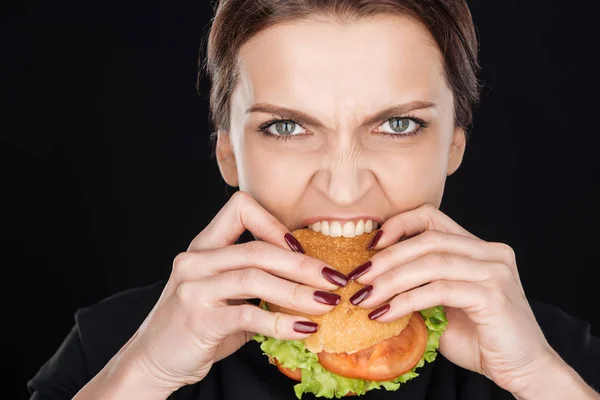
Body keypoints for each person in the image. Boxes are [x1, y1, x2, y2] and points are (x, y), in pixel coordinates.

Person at [27, 0, 600, 399]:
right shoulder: (107, 346)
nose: (345, 189)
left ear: (454, 144)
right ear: (228, 153)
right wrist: (144, 374)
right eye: (285, 128)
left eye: (398, 124)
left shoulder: (559, 355)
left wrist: (538, 378)